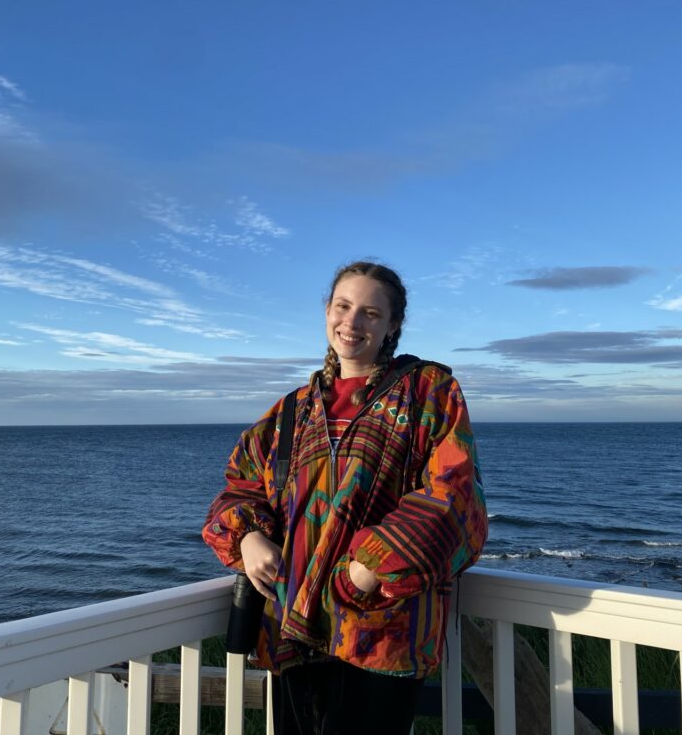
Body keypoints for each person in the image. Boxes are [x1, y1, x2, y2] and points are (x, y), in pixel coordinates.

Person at [202, 260, 488, 735]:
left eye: (371, 314)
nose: (352, 323)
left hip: (383, 632)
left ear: (392, 325)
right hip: (291, 630)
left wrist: (369, 567)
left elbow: (456, 496)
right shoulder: (293, 410)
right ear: (327, 312)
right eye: (343, 306)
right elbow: (241, 484)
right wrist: (248, 536)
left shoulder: (428, 392)